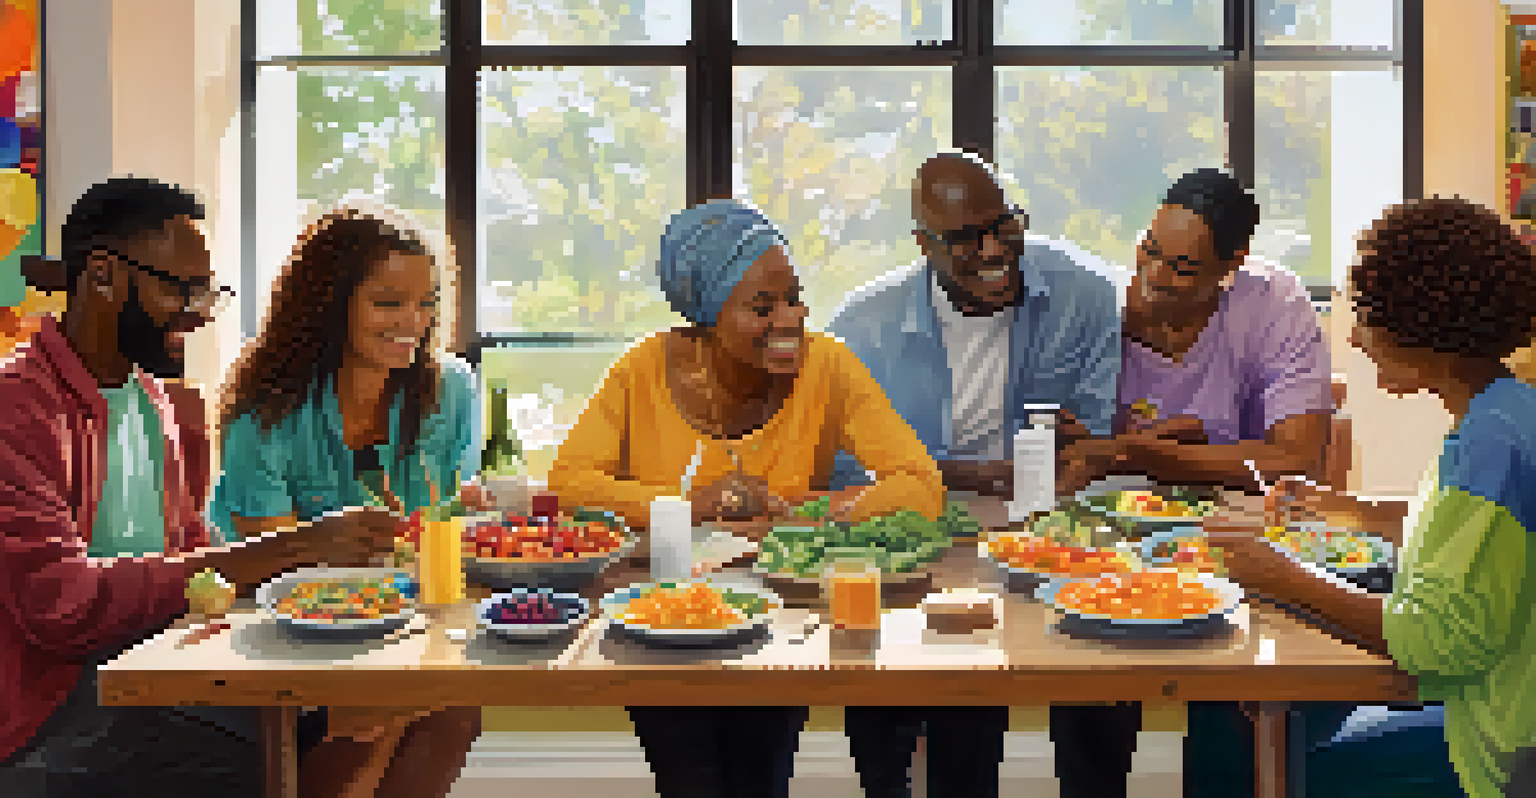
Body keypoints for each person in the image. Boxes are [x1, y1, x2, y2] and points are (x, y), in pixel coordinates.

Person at [0, 177, 400, 797]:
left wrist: (325, 583)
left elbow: (197, 569)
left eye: (207, 290)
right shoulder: (18, 409)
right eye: (181, 288)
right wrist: (291, 548)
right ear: (103, 276)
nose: (199, 311)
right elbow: (63, 606)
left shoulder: (155, 403)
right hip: (45, 718)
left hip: (148, 670)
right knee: (285, 737)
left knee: (400, 708)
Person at [548, 198, 947, 798]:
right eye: (762, 307)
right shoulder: (642, 370)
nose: (790, 318)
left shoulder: (827, 366)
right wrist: (692, 505)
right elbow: (568, 483)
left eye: (794, 297)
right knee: (690, 783)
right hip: (663, 614)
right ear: (708, 315)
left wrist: (811, 515)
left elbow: (920, 483)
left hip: (779, 614)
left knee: (761, 782)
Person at [1205, 196, 1535, 798]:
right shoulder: (1506, 410)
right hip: (1492, 703)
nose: (1355, 339)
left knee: (1238, 763)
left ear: (1426, 327)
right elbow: (1466, 539)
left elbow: (1432, 642)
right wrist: (1341, 507)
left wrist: (1279, 576)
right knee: (1266, 723)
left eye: (1366, 318)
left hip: (1493, 747)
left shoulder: (1490, 445)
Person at [825, 150, 1127, 798]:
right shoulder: (863, 326)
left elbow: (1092, 438)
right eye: (965, 238)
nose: (993, 250)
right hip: (917, 537)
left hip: (1045, 533)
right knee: (904, 711)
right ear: (923, 244)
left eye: (1003, 225)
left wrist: (1075, 459)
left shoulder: (1085, 295)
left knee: (1102, 682)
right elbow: (848, 472)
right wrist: (975, 478)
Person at [1048, 168, 1337, 797]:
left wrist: (1135, 451)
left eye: (1181, 266)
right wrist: (1172, 451)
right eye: (1149, 249)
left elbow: (1294, 456)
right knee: (1089, 673)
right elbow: (1066, 449)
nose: (1153, 275)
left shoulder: (1272, 304)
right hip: (1112, 538)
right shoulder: (1098, 309)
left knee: (1232, 689)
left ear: (1232, 264)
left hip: (1238, 539)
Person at [210, 208, 485, 798]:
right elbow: (269, 561)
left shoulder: (452, 390)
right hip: (280, 623)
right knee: (373, 716)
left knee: (453, 710)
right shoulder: (268, 409)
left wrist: (471, 515)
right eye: (388, 303)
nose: (413, 322)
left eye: (427, 303)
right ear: (328, 305)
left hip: (405, 616)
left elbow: (445, 522)